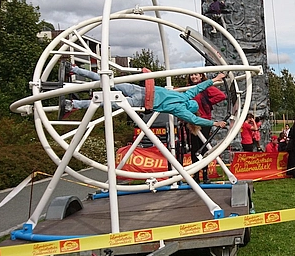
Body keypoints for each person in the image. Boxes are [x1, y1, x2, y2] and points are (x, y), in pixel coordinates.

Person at [66, 65, 227, 130]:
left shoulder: (184, 96)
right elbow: (196, 121)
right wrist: (214, 123)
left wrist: (216, 78)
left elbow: (200, 87)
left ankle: (76, 70)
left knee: (107, 82)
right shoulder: (181, 109)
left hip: (142, 91)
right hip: (143, 98)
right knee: (105, 101)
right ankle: (74, 104)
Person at [186, 72, 226, 184]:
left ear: (201, 76)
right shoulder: (189, 88)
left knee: (203, 148)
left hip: (204, 120)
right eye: (191, 75)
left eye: (196, 75)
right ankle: (196, 175)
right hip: (192, 120)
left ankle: (204, 174)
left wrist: (206, 103)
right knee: (194, 148)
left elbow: (221, 96)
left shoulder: (204, 87)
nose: (193, 76)